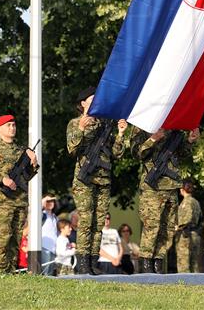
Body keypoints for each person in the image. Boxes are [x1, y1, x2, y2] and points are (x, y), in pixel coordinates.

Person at [66, 87, 125, 275]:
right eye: (91, 99)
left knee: (99, 223)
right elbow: (71, 149)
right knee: (86, 220)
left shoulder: (105, 125)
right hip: (85, 179)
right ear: (82, 103)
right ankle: (83, 262)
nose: (95, 102)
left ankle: (92, 261)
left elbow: (116, 153)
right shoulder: (75, 123)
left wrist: (121, 134)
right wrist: (82, 129)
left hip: (103, 178)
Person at [133, 126, 198, 274]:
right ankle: (146, 264)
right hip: (152, 187)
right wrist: (153, 139)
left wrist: (189, 141)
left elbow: (182, 154)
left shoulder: (175, 127)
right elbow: (137, 153)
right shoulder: (143, 125)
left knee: (167, 228)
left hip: (171, 186)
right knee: (152, 226)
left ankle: (158, 262)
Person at [0, 114, 38, 274]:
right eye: (8, 125)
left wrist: (33, 164)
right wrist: (2, 179)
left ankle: (11, 271)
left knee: (16, 238)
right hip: (2, 201)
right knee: (3, 238)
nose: (12, 128)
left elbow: (27, 176)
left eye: (13, 125)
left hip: (20, 200)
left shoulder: (21, 150)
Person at [175, 180, 203, 273]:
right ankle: (195, 285)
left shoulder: (186, 202)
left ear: (182, 189)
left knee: (184, 264)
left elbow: (187, 219)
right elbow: (200, 219)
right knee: (194, 264)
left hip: (186, 236)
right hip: (195, 234)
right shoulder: (196, 202)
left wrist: (177, 227)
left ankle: (184, 285)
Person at [41, 194, 58, 276]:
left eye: (52, 201)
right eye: (48, 201)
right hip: (44, 247)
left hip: (53, 248)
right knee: (45, 273)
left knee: (51, 273)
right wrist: (42, 204)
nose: (50, 203)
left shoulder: (55, 217)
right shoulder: (42, 215)